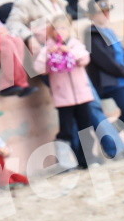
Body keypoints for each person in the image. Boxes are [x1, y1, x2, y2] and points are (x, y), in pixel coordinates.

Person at [33, 12, 97, 170]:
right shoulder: (48, 48)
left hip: (82, 95)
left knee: (85, 127)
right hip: (63, 97)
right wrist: (49, 54)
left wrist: (69, 51)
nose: (60, 32)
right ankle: (63, 160)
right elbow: (39, 68)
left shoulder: (75, 44)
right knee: (66, 129)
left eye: (63, 28)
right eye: (56, 29)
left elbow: (84, 59)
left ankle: (87, 159)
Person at [86, 0, 124, 157]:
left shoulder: (109, 32)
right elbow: (105, 60)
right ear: (92, 15)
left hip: (123, 78)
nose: (106, 14)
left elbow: (123, 52)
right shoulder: (92, 35)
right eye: (101, 12)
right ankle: (123, 140)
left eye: (107, 11)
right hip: (112, 81)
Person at [6, 0, 67, 64]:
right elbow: (12, 23)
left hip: (62, 50)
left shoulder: (58, 1)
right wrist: (29, 37)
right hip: (41, 54)